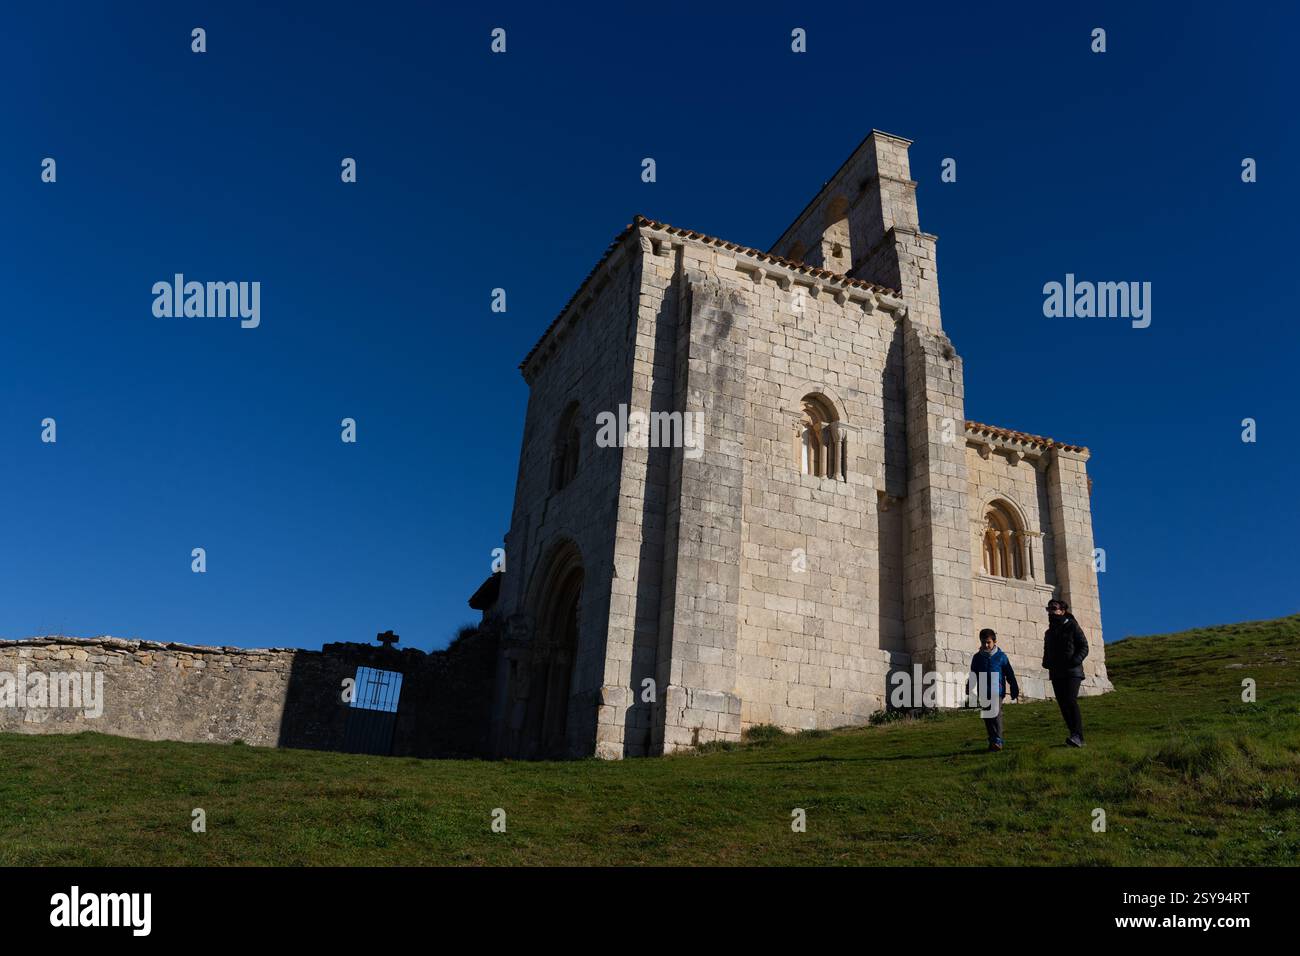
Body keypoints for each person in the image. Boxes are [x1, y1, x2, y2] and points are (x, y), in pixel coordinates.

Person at [1042, 598, 1089, 747]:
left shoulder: (1072, 626)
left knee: (1070, 700)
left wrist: (1074, 661)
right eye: (1049, 609)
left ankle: (1078, 736)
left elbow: (1084, 646)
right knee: (1063, 704)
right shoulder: (1048, 633)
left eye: (1054, 608)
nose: (1051, 611)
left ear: (1062, 611)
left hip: (1072, 671)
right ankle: (1074, 735)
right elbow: (1046, 650)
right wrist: (1046, 662)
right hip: (1056, 672)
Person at [969, 628, 1019, 751]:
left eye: (988, 642)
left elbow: (1009, 673)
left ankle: (998, 740)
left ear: (994, 642)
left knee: (996, 714)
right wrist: (969, 687)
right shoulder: (977, 658)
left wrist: (1014, 687)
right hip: (983, 690)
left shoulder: (1001, 657)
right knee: (987, 716)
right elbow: (973, 674)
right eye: (983, 642)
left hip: (997, 690)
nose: (986, 645)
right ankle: (992, 740)